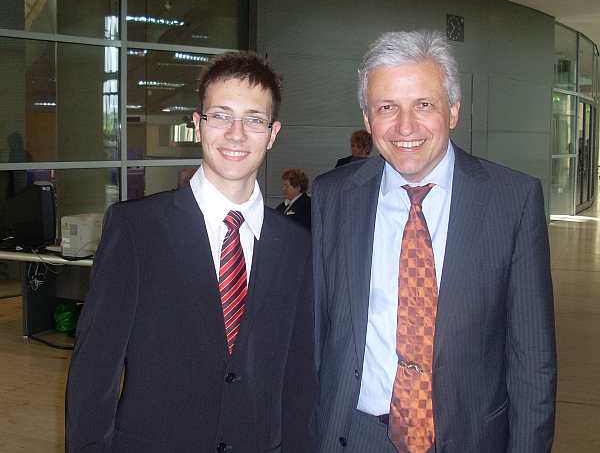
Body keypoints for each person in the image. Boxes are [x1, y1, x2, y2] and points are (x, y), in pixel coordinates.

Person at [312, 31, 556, 452]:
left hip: (469, 438)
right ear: (368, 121)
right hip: (354, 435)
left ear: (454, 110)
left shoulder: (512, 200)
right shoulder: (333, 196)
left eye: (423, 104)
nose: (405, 127)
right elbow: (318, 333)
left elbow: (532, 360)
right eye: (387, 107)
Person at [66, 52, 315, 453]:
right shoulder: (136, 230)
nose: (236, 134)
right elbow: (95, 370)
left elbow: (299, 378)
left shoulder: (298, 245)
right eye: (220, 116)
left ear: (272, 134)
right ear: (198, 126)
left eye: (254, 119)